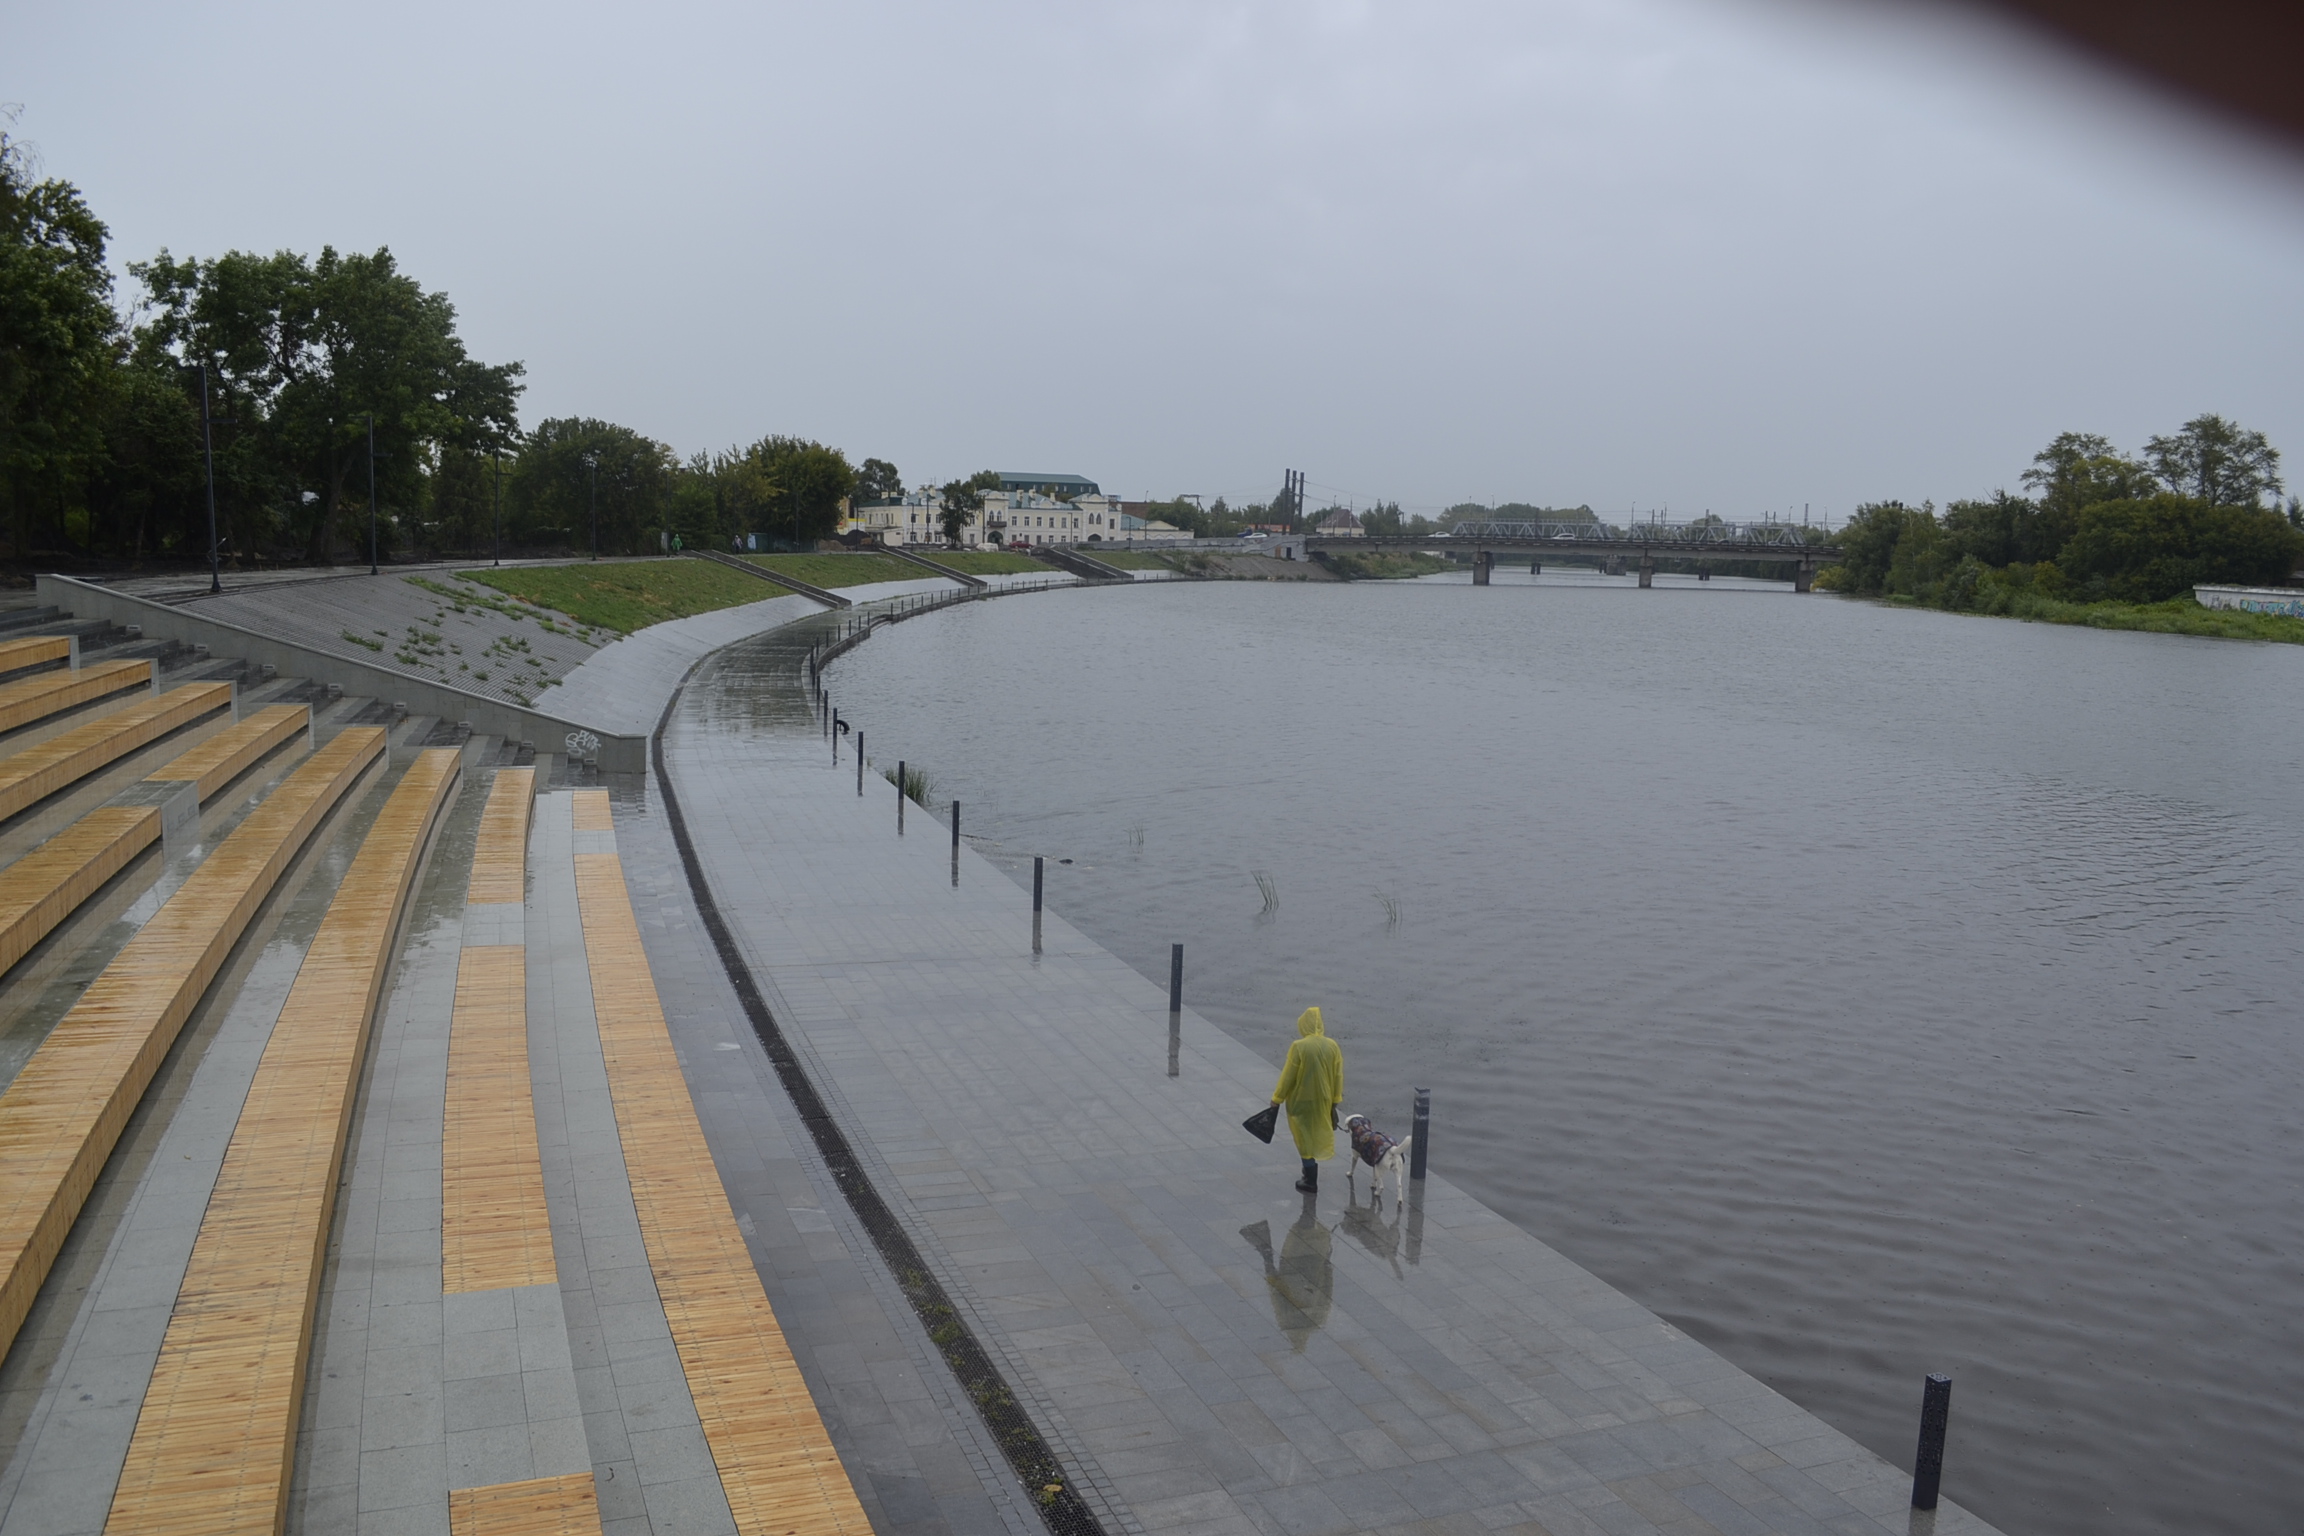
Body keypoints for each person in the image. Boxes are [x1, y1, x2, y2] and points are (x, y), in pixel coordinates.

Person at [1270, 1006, 1343, 1194]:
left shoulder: (1299, 1047)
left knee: (1303, 1137)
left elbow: (1289, 1075)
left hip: (1301, 1100)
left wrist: (1277, 1098)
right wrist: (1335, 1099)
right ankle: (1309, 1171)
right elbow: (1337, 1075)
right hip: (1324, 1099)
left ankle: (1310, 1178)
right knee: (1317, 1131)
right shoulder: (1332, 1046)